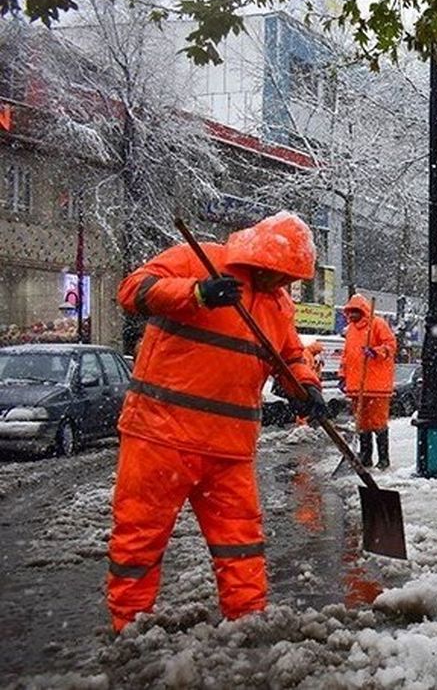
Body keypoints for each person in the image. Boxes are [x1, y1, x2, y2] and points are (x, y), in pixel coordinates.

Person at [106, 212, 326, 633]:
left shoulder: (278, 306)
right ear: (261, 257)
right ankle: (128, 629)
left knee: (241, 545)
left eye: (289, 279)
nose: (281, 285)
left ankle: (247, 624)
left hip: (230, 448)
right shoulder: (198, 260)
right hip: (160, 434)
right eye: (279, 275)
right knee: (139, 540)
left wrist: (306, 387)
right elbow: (133, 290)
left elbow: (290, 355)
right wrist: (197, 293)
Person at [339, 294, 397, 469]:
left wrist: (375, 352)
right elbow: (346, 356)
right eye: (350, 312)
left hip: (377, 387)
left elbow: (391, 345)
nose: (352, 315)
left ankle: (383, 459)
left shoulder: (377, 324)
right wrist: (343, 375)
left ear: (362, 311)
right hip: (357, 386)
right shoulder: (350, 330)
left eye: (355, 312)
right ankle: (366, 457)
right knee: (362, 424)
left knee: (378, 423)